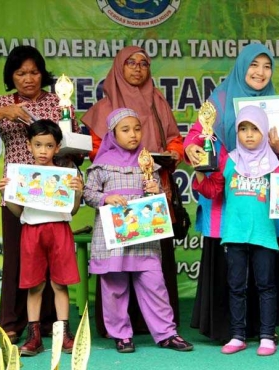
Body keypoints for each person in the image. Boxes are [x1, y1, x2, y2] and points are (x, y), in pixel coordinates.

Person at [0, 45, 82, 344]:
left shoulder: (58, 102)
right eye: (20, 73)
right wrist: (3, 112)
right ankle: (14, 323)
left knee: (55, 266)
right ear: (11, 76)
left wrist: (70, 154)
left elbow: (78, 142)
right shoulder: (4, 103)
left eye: (33, 72)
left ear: (42, 73)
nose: (28, 78)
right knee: (19, 261)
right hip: (18, 195)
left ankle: (54, 325)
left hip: (54, 195)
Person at [184, 43, 279, 343]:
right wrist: (193, 148)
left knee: (263, 265)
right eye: (253, 65)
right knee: (231, 268)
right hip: (227, 194)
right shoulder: (219, 97)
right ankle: (228, 330)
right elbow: (197, 135)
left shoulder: (275, 102)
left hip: (261, 199)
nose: (260, 72)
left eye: (266, 66)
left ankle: (264, 330)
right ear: (242, 65)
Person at [81, 46, 183, 336]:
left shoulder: (158, 102)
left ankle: (163, 330)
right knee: (115, 276)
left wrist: (170, 154)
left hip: (150, 196)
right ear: (118, 68)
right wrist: (116, 161)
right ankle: (120, 331)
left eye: (143, 64)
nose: (138, 68)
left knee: (153, 272)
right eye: (131, 63)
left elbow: (176, 139)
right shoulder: (104, 108)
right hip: (116, 195)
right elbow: (96, 150)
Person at [83, 108, 193, 353]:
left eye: (137, 128)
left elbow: (157, 202)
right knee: (114, 288)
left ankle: (166, 333)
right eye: (125, 130)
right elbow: (88, 194)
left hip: (143, 236)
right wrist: (106, 198)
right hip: (113, 238)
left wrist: (155, 191)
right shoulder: (102, 165)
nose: (133, 134)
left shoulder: (148, 164)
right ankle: (121, 335)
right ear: (112, 134)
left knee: (155, 284)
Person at [193, 105, 279, 356]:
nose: (249, 134)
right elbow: (213, 191)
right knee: (236, 286)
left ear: (264, 132)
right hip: (233, 234)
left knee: (265, 286)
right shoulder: (229, 161)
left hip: (263, 235)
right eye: (243, 129)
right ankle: (237, 335)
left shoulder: (273, 164)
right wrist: (200, 172)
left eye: (255, 129)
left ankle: (266, 336)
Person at [0, 119, 82, 356]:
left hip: (59, 230)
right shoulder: (21, 176)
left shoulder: (67, 174)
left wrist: (77, 193)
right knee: (34, 285)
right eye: (38, 145)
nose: (43, 151)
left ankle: (64, 334)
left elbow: (73, 210)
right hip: (32, 231)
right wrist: (6, 193)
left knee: (59, 283)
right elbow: (18, 213)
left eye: (48, 146)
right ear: (29, 145)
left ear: (57, 148)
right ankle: (34, 337)